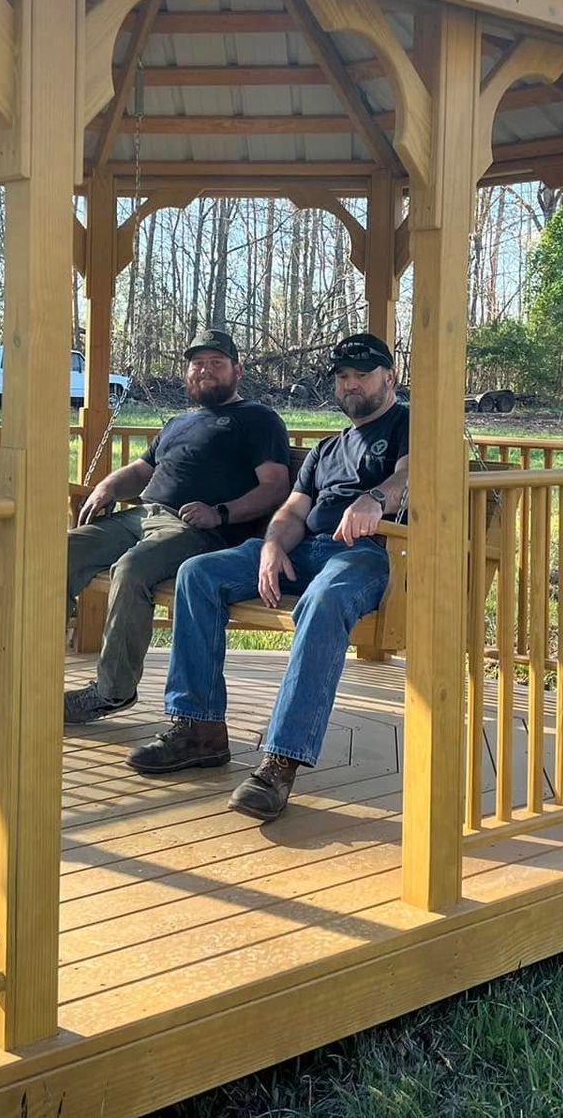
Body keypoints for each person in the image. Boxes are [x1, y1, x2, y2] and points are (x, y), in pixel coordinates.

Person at [127, 332, 408, 821]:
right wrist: (274, 545)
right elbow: (293, 509)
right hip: (308, 549)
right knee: (198, 573)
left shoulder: (411, 424)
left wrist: (377, 498)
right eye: (342, 377)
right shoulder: (325, 450)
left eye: (362, 374)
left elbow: (413, 473)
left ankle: (281, 761)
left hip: (368, 553)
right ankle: (199, 727)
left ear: (391, 377)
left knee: (321, 602)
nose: (351, 385)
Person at [0, 328, 291, 728]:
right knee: (53, 554)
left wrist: (221, 513)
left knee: (131, 569)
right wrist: (107, 487)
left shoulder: (258, 420)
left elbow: (275, 485)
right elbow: (142, 470)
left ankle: (112, 691)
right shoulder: (179, 423)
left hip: (196, 529)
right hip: (140, 516)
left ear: (237, 370)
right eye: (197, 363)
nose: (205, 370)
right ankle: (23, 682)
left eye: (216, 363)